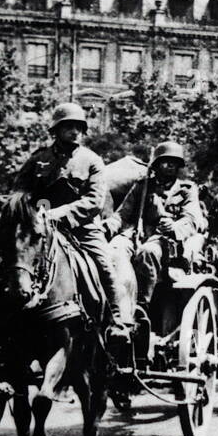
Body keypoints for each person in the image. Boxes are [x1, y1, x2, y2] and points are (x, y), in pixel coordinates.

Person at [13, 103, 130, 335]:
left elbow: (94, 202)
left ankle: (117, 320)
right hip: (40, 228)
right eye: (68, 127)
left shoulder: (92, 161)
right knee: (7, 258)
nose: (75, 131)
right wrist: (36, 212)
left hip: (82, 229)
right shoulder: (38, 159)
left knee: (104, 265)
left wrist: (58, 213)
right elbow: (20, 193)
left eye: (78, 127)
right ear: (55, 130)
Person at [111, 141, 207, 311]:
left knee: (148, 252)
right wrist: (109, 225)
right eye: (166, 161)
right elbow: (122, 214)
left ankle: (141, 305)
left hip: (166, 242)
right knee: (114, 249)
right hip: (136, 234)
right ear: (156, 164)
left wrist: (175, 226)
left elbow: (192, 219)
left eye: (174, 162)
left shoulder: (187, 190)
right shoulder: (142, 186)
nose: (170, 165)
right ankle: (116, 303)